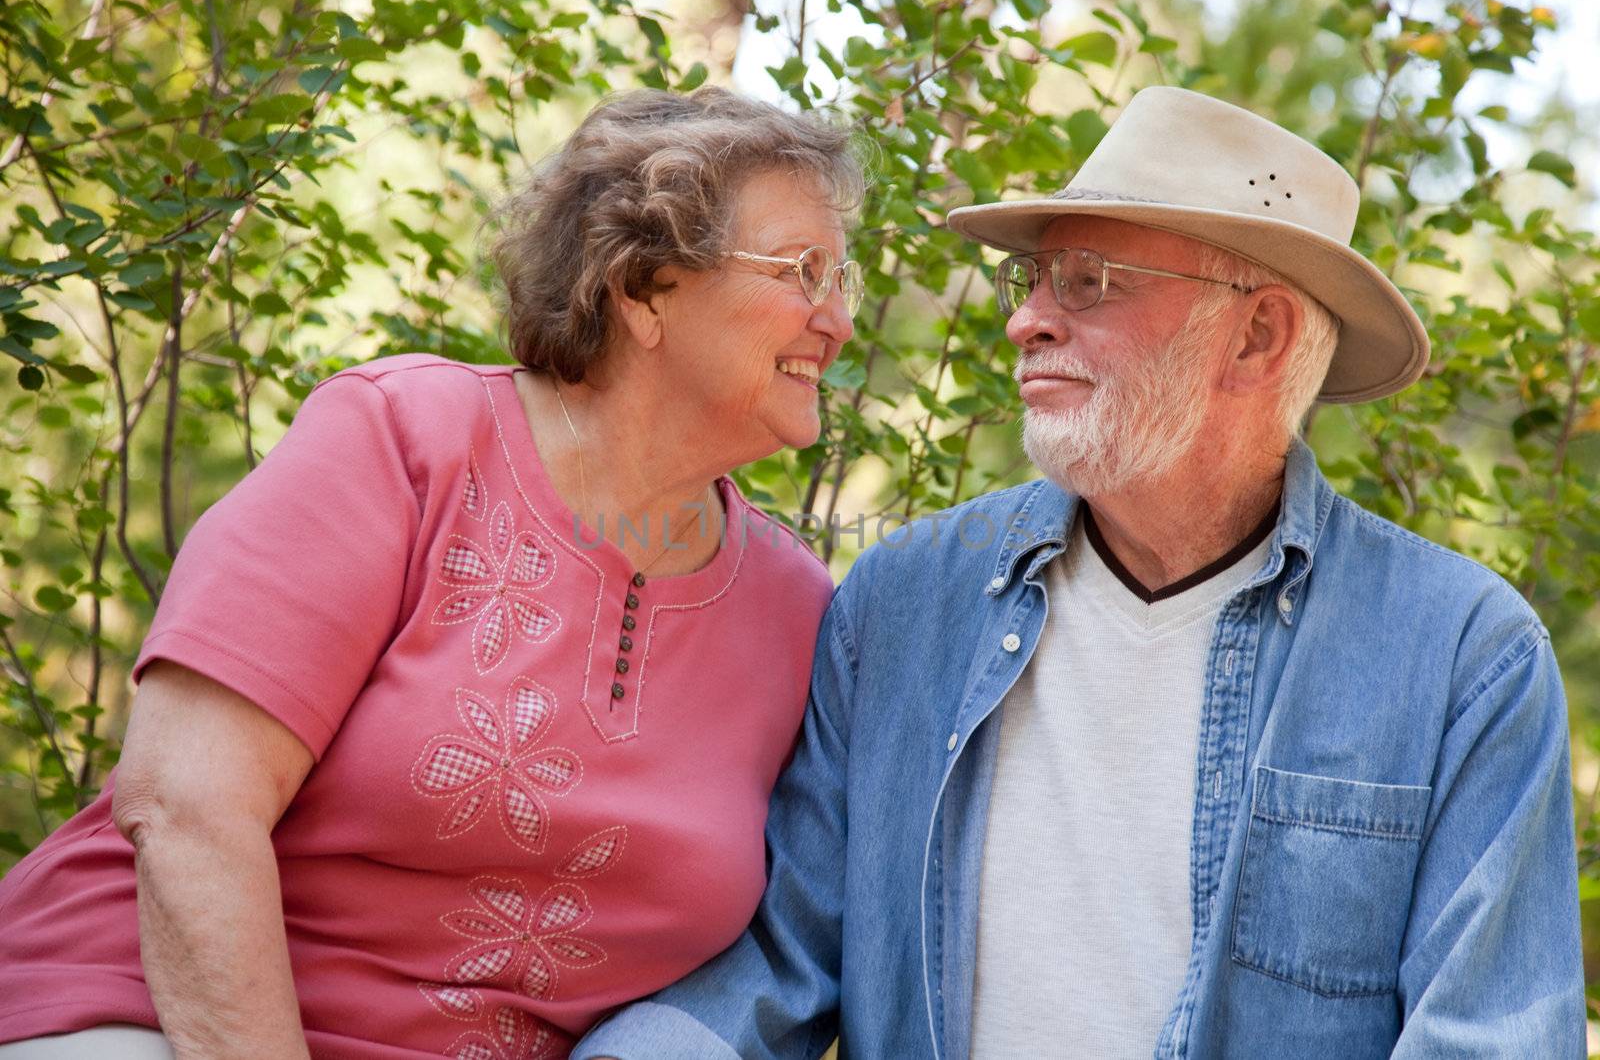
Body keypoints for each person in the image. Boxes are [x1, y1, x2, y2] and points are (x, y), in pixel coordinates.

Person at [574, 87, 1585, 1059]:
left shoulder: (1460, 657)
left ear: (1258, 334)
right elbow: (782, 963)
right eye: (1035, 280)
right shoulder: (905, 602)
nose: (1025, 322)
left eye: (1090, 282)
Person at [0, 86, 865, 1059]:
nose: (835, 321)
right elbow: (188, 799)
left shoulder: (798, 612)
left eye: (844, 280)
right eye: (803, 270)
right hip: (154, 1017)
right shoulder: (404, 441)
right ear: (645, 287)